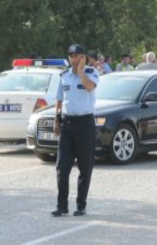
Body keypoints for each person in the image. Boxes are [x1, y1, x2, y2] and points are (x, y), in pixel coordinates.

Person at [51, 44, 100, 217]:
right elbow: (59, 98)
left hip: (85, 124)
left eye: (77, 56)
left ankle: (81, 205)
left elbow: (89, 87)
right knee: (61, 167)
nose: (74, 59)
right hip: (68, 125)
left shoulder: (91, 73)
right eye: (71, 56)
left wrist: (80, 72)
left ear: (83, 57)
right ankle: (61, 205)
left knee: (85, 167)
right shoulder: (63, 76)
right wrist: (57, 119)